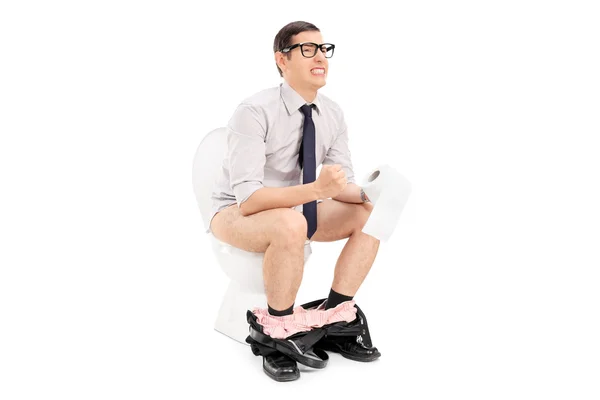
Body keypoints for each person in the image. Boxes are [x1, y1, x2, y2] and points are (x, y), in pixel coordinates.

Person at [208, 21, 381, 381]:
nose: (320, 56)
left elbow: (339, 184)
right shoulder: (253, 111)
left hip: (296, 208)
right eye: (308, 49)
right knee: (291, 222)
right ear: (282, 60)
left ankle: (334, 319)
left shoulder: (331, 113)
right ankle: (276, 332)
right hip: (234, 211)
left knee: (369, 214)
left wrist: (371, 193)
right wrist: (316, 192)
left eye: (324, 48)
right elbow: (250, 199)